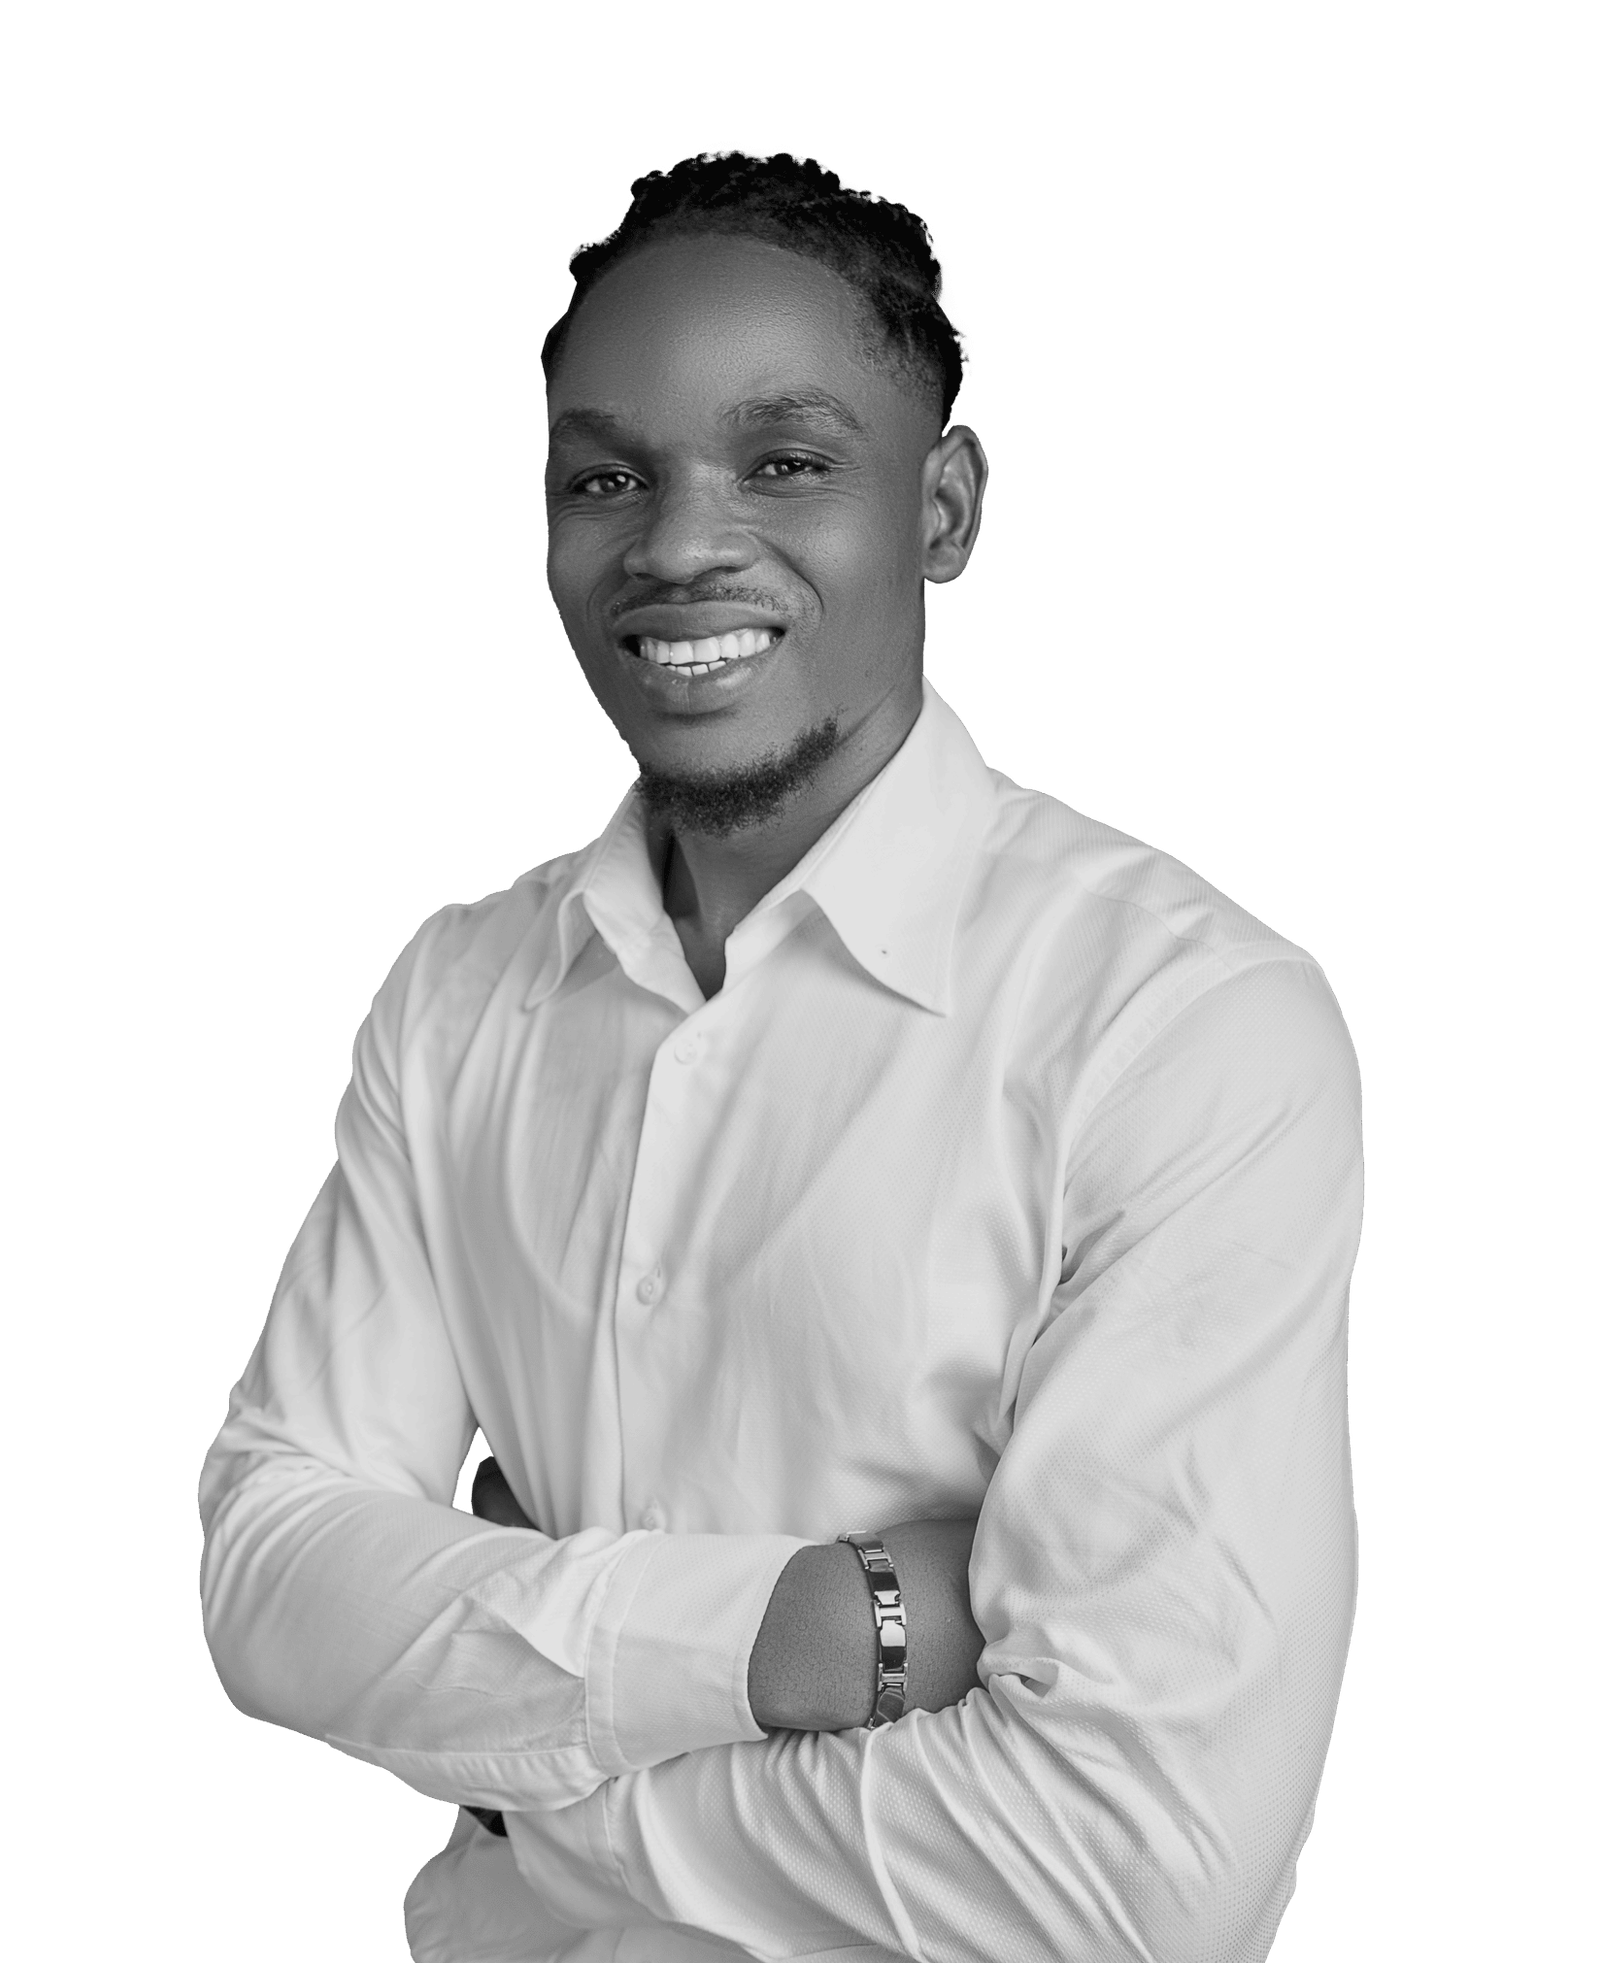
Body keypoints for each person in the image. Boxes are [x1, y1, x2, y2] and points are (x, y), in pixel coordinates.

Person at [197, 143, 1363, 1963]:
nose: (677, 545)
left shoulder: (1182, 1023)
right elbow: (271, 1575)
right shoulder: (455, 992)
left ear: (946, 507)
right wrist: (816, 1633)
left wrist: (524, 1778)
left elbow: (1140, 1876)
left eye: (787, 461)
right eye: (605, 476)